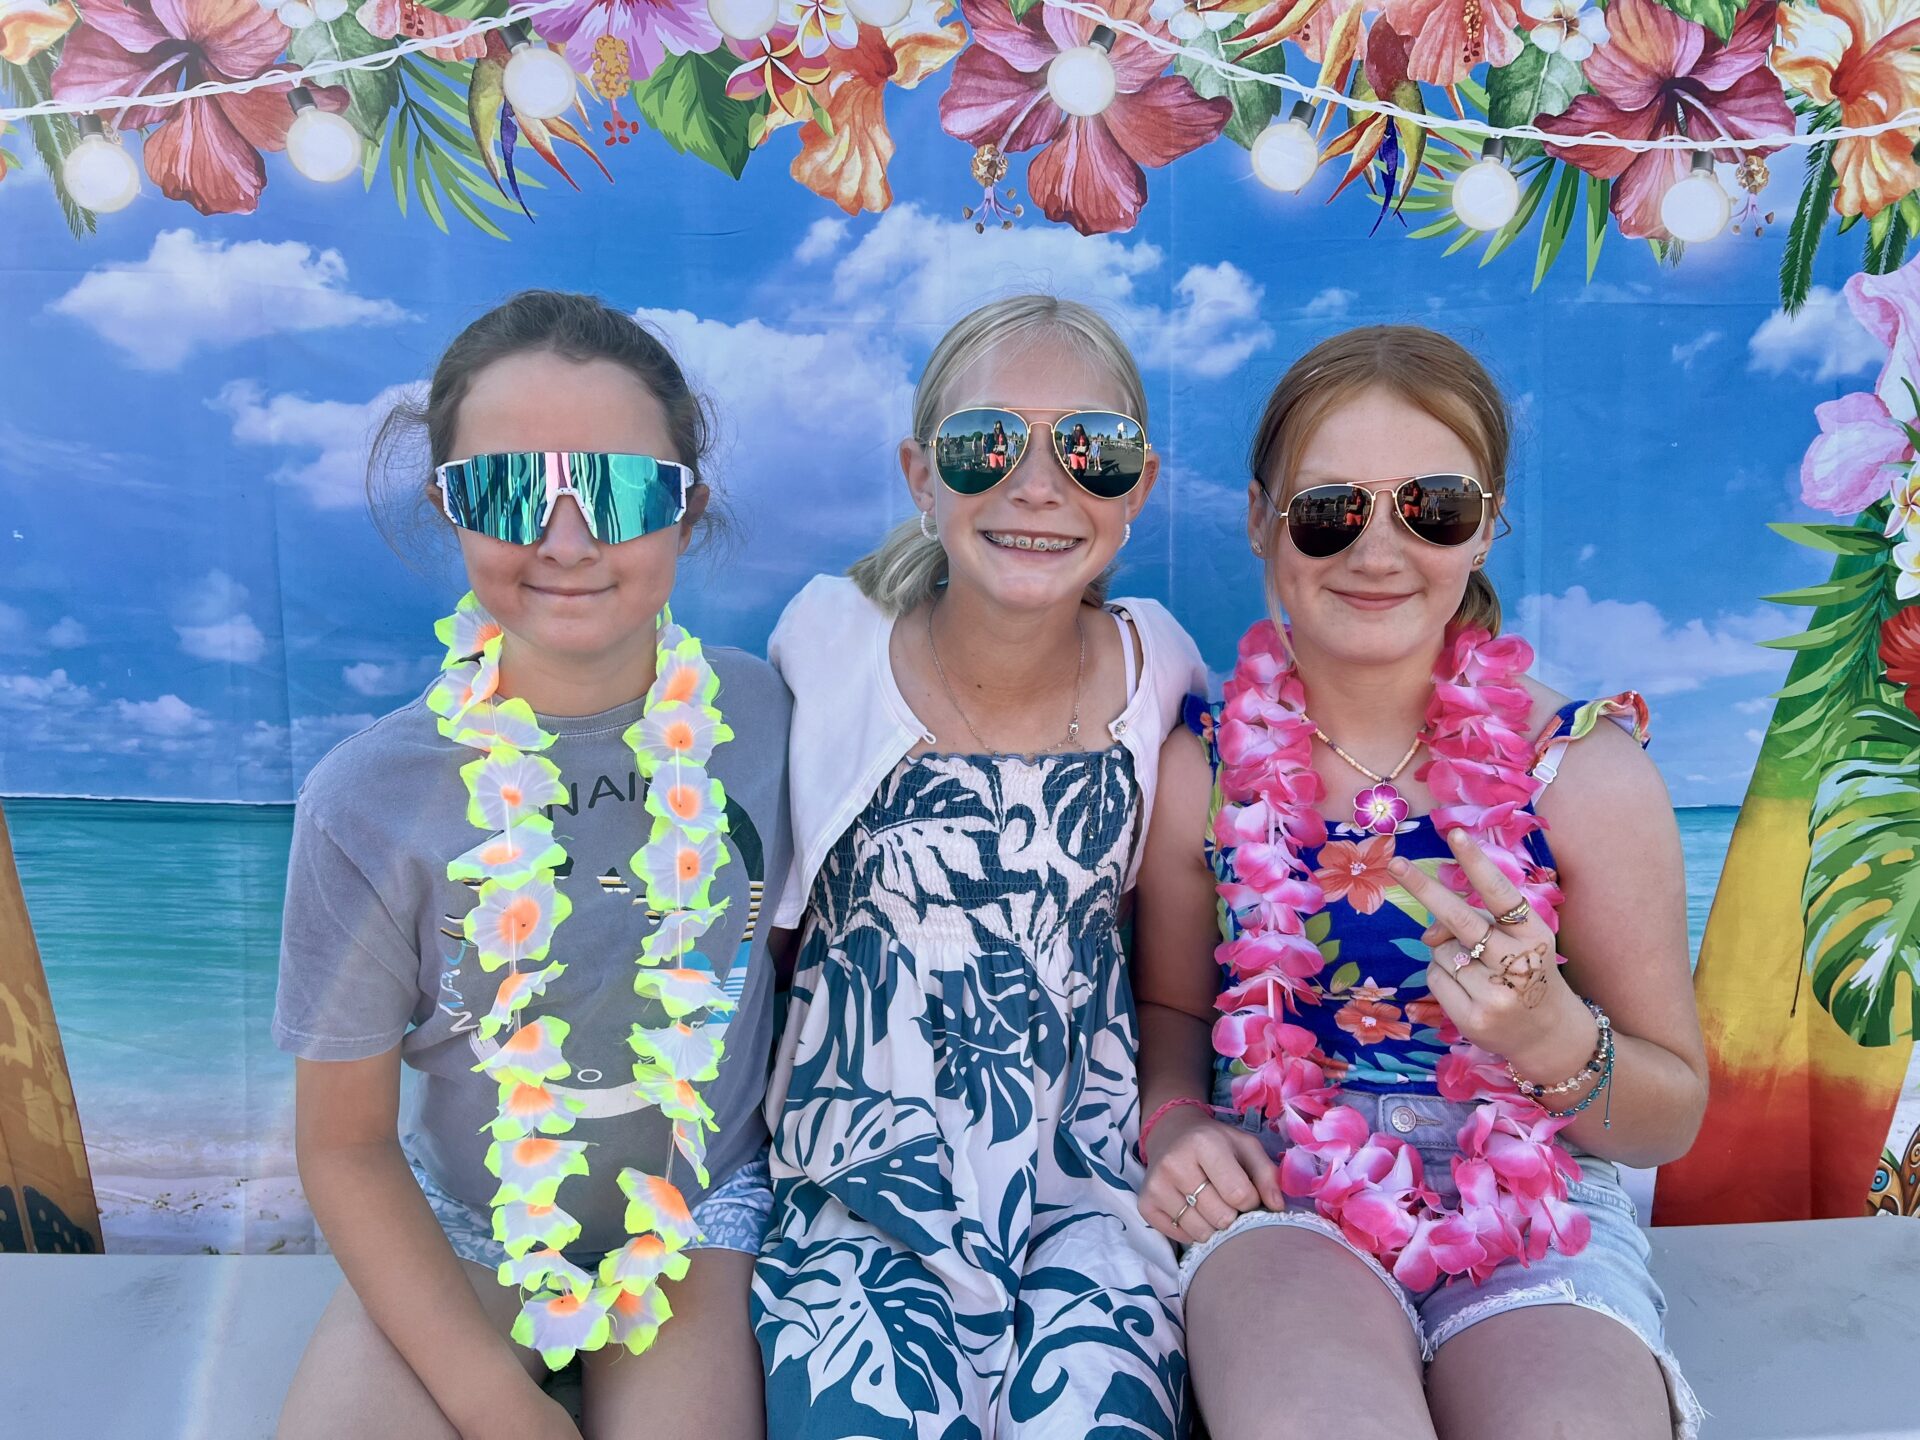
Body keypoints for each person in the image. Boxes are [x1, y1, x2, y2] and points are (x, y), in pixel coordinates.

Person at [1131, 325, 1708, 1440]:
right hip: (1289, 1188)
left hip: (1538, 1206)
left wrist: (1550, 1035)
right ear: (1260, 517)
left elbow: (1668, 1116)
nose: (1378, 550)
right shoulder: (1201, 770)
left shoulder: (1583, 774)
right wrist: (1173, 1123)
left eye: (1432, 508)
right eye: (1330, 509)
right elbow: (1172, 1010)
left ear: (1485, 526)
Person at [272, 291, 792, 1440]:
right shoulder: (367, 802)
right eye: (508, 490)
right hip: (468, 1227)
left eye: (621, 490)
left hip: (696, 1219)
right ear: (447, 505)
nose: (566, 540)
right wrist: (505, 1413)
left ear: (688, 507)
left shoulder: (769, 713)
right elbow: (346, 1145)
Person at [753, 295, 1205, 1437]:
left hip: (1084, 1195)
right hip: (858, 1193)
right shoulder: (831, 643)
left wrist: (1174, 1125)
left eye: (1091, 450)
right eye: (985, 444)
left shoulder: (1157, 666)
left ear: (1139, 486)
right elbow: (771, 935)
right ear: (921, 474)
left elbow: (1165, 977)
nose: (1038, 486)